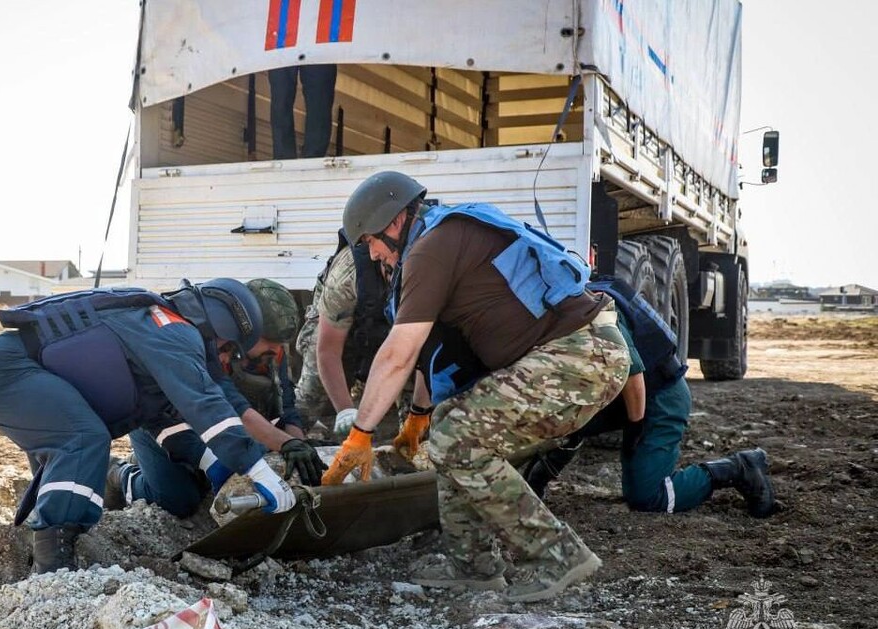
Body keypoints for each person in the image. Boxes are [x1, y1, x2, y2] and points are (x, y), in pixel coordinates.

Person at [321, 171, 631, 603]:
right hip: (571, 355)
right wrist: (417, 419)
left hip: (578, 356)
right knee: (449, 425)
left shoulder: (430, 248)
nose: (373, 255)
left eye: (371, 241)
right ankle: (474, 565)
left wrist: (361, 433)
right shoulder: (438, 239)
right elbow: (432, 354)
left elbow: (398, 353)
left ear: (393, 222)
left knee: (456, 438)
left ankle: (555, 555)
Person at [0, 279, 297, 574]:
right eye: (229, 350)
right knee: (82, 439)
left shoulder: (158, 336)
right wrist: (257, 470)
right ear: (220, 328)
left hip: (17, 371)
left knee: (78, 445)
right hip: (7, 370)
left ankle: (46, 548)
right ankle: (53, 566)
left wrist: (216, 465)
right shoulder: (171, 329)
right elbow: (205, 403)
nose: (226, 361)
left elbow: (169, 424)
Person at [522, 276, 777, 518]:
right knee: (561, 411)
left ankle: (739, 467)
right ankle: (536, 482)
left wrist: (635, 428)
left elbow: (634, 377)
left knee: (648, 497)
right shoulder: (551, 303)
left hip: (658, 397)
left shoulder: (588, 308)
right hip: (622, 397)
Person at [111, 279, 326, 517]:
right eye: (270, 342)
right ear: (249, 331)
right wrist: (285, 445)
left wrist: (300, 448)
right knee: (177, 500)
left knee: (243, 468)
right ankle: (118, 473)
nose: (276, 351)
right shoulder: (213, 350)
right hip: (168, 421)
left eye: (280, 345)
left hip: (222, 430)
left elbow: (286, 407)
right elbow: (233, 407)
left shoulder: (271, 355)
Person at [294, 229, 394, 437]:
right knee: (310, 396)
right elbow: (327, 350)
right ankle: (287, 443)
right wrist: (346, 411)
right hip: (332, 324)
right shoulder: (348, 273)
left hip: (379, 323)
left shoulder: (421, 267)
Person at [269, 64, 337, 160]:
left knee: (319, 97)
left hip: (319, 51)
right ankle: (284, 156)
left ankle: (313, 157)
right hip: (284, 52)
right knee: (281, 97)